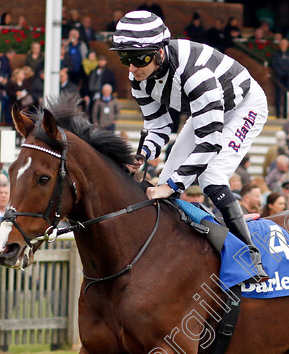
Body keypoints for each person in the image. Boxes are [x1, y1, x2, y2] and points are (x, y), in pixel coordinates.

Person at [112, 10, 269, 281]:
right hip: (204, 110)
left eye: (139, 58)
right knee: (161, 183)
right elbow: (158, 126)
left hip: (243, 106)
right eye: (125, 57)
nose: (132, 67)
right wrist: (142, 155)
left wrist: (173, 186)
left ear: (160, 52)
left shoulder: (196, 74)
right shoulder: (138, 78)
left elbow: (209, 142)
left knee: (210, 177)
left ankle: (250, 256)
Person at [269, 39, 289, 119]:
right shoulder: (276, 54)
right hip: (279, 77)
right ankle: (278, 113)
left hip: (288, 77)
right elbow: (274, 65)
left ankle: (285, 114)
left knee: (287, 96)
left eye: (285, 44)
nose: (284, 45)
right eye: (282, 44)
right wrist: (281, 73)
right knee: (278, 95)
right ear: (280, 45)